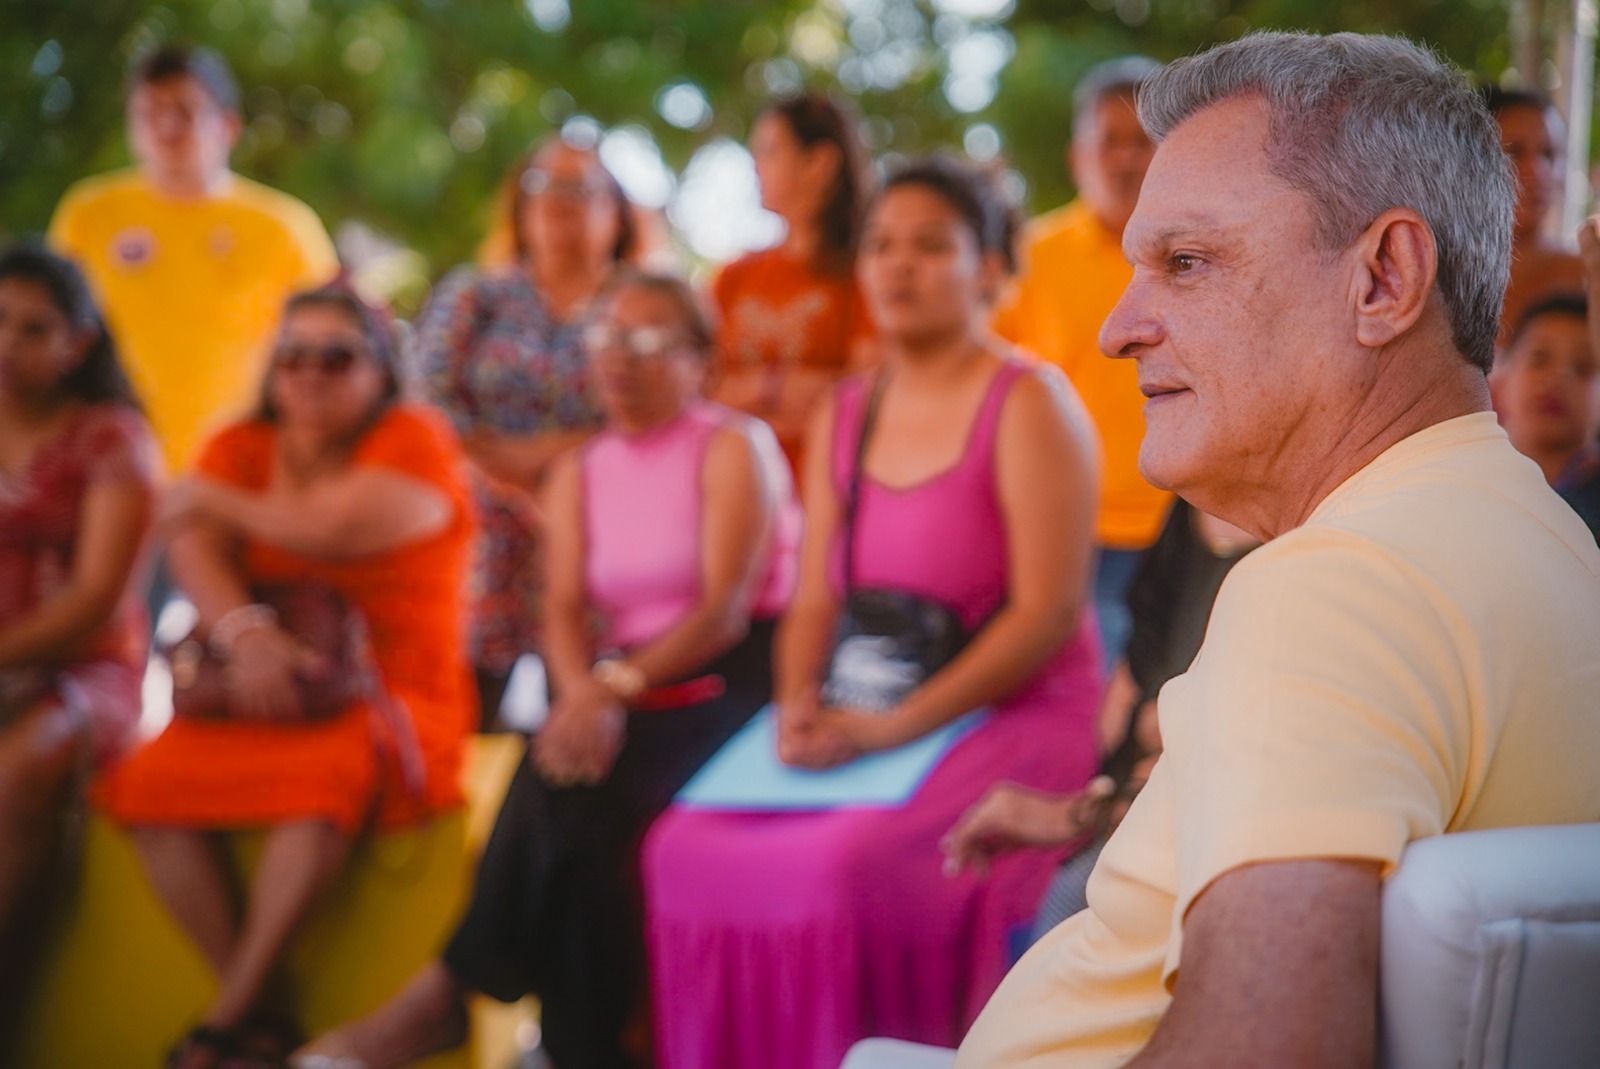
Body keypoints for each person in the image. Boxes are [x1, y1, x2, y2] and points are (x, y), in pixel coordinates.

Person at [949, 31, 1600, 1068]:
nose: (1118, 328)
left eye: (1186, 262)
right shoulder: (1544, 541)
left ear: (1383, 278)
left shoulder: (1338, 588)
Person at [643, 155, 1105, 1069]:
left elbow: (1047, 616)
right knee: (678, 846)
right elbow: (815, 594)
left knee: (839, 868)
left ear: (989, 267)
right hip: (870, 704)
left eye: (932, 246)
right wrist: (797, 708)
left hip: (1008, 709)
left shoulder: (1031, 402)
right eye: (882, 245)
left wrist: (893, 728)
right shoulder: (846, 410)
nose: (899, 267)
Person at [293, 270, 799, 1069]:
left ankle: (462, 1002)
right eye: (604, 339)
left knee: (588, 787)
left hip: (726, 677)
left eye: (644, 342)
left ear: (700, 357)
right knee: (564, 766)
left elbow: (723, 610)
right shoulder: (582, 467)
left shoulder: (734, 445)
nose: (618, 360)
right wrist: (578, 696)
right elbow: (559, 607)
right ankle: (563, 1042)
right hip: (622, 682)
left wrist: (607, 692)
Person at [95, 283, 476, 1069]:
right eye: (291, 356)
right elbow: (190, 539)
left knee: (324, 777)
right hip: (256, 685)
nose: (308, 374)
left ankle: (223, 1024)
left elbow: (337, 526)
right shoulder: (243, 445)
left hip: (388, 690)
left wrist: (217, 499)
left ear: (380, 368)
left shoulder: (418, 439)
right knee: (146, 784)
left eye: (335, 357)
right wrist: (247, 632)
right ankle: (262, 1015)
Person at [942, 501, 1257, 943]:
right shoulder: (1192, 499)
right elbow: (1132, 690)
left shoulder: (1301, 555)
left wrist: (1074, 816)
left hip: (1198, 847)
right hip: (1130, 803)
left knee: (1072, 908)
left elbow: (1216, 783)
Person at [411, 134, 634, 729]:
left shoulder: (643, 305)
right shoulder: (475, 294)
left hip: (606, 542)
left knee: (591, 731)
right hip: (480, 542)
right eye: (544, 187)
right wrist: (505, 475)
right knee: (462, 726)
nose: (561, 204)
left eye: (581, 189)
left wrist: (547, 466)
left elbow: (662, 417)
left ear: (616, 211)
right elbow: (426, 404)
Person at [0, 245, 157, 1050]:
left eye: (33, 329)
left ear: (80, 344)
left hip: (83, 668)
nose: (7, 344)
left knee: (21, 764)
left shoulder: (112, 439)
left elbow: (97, 599)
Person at [48, 43, 337, 476]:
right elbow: (49, 336)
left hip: (245, 472)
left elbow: (333, 350)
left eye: (185, 110)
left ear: (228, 125)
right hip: (107, 470)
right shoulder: (89, 215)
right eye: (149, 112)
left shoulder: (285, 227)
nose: (167, 126)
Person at [992, 56, 1168, 666]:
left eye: (1144, 142)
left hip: (1188, 519)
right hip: (1066, 532)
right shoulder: (1026, 258)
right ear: (1077, 156)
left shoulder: (1206, 254)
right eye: (1109, 141)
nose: (1125, 159)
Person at [710, 92, 876, 465]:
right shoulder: (733, 278)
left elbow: (867, 397)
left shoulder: (867, 275)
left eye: (770, 151)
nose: (756, 166)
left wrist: (746, 395)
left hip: (832, 483)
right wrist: (779, 386)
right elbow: (698, 393)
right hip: (738, 488)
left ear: (820, 162)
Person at [1491, 293, 1600, 541]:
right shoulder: (1469, 477)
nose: (1558, 378)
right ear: (1501, 377)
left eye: (1583, 367)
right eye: (1539, 359)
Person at [1483, 85, 1585, 348]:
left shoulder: (1586, 276)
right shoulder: (1440, 277)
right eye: (1514, 151)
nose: (1537, 170)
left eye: (1549, 155)